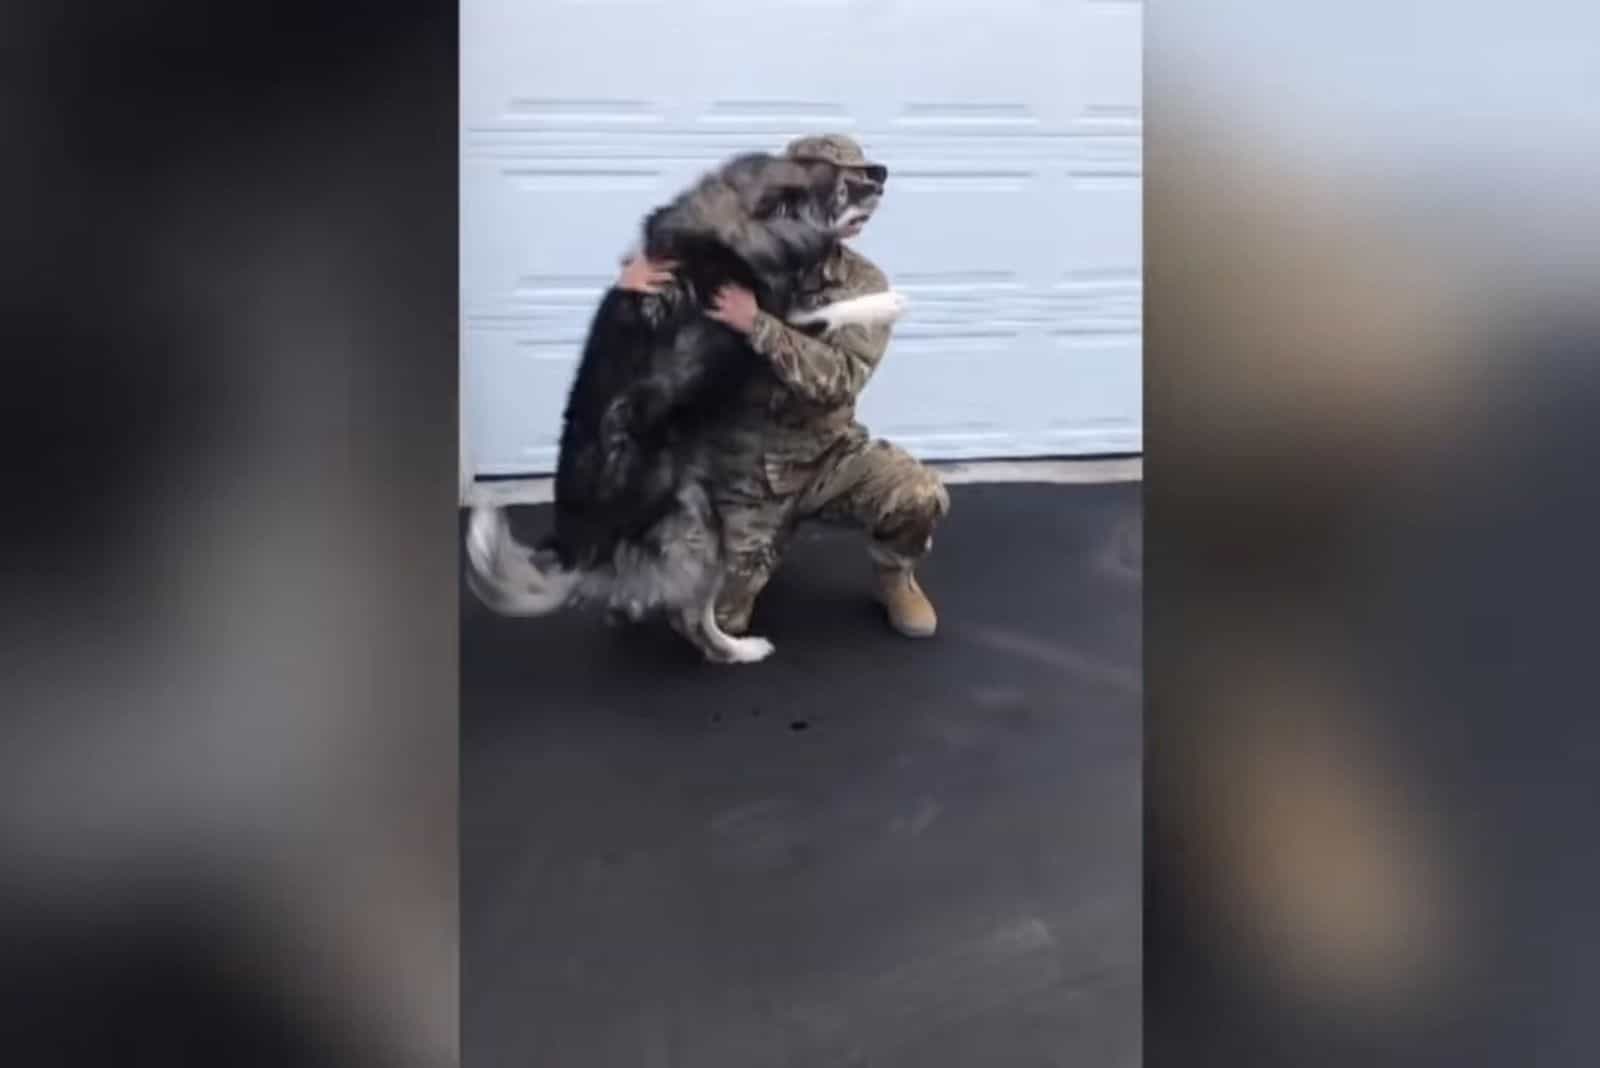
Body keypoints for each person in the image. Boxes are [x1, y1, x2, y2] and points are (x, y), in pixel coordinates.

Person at [617, 134, 949, 638]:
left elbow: (839, 378)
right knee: (712, 624)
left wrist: (756, 325)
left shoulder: (864, 287)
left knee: (916, 494)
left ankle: (895, 574)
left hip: (828, 455)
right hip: (748, 467)